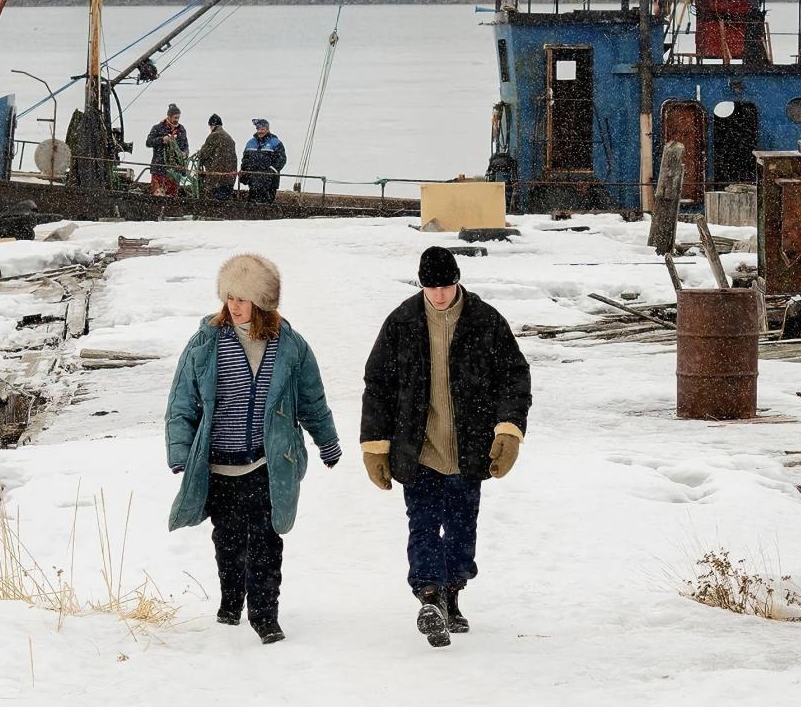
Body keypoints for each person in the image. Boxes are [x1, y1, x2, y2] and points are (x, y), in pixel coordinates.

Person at [359, 246, 532, 648]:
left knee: (459, 529)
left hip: (469, 450)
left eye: (445, 285)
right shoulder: (401, 322)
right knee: (422, 525)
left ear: (457, 280)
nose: (438, 294)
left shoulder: (484, 321)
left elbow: (514, 377)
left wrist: (508, 430)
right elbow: (378, 386)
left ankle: (453, 593)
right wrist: (374, 445)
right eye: (430, 286)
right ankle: (430, 598)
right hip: (417, 449)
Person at [165, 254, 342, 644]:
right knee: (227, 541)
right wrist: (180, 450)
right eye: (229, 296)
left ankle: (265, 615)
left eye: (243, 298)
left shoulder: (289, 346)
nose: (234, 305)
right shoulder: (206, 343)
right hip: (220, 465)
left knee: (266, 542)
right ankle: (231, 600)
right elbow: (183, 401)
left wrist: (326, 442)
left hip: (268, 462)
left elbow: (312, 399)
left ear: (262, 302)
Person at [146, 103, 189, 196]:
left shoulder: (181, 130)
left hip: (174, 172)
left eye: (178, 117)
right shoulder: (157, 128)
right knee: (157, 195)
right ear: (169, 116)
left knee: (172, 196)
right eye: (175, 117)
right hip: (159, 169)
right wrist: (161, 140)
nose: (177, 120)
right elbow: (148, 142)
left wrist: (185, 153)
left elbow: (186, 145)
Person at [240, 118, 286, 204]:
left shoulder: (276, 143)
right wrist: (244, 171)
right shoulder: (250, 143)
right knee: (252, 203)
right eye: (258, 129)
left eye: (262, 129)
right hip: (253, 180)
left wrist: (271, 171)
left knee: (266, 203)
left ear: (267, 129)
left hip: (269, 182)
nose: (260, 131)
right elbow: (245, 159)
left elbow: (282, 159)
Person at [193, 113, 238, 200]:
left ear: (213, 125)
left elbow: (204, 154)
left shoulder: (214, 135)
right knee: (226, 200)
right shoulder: (229, 137)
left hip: (217, 177)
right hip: (230, 176)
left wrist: (200, 152)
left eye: (210, 126)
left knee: (217, 201)